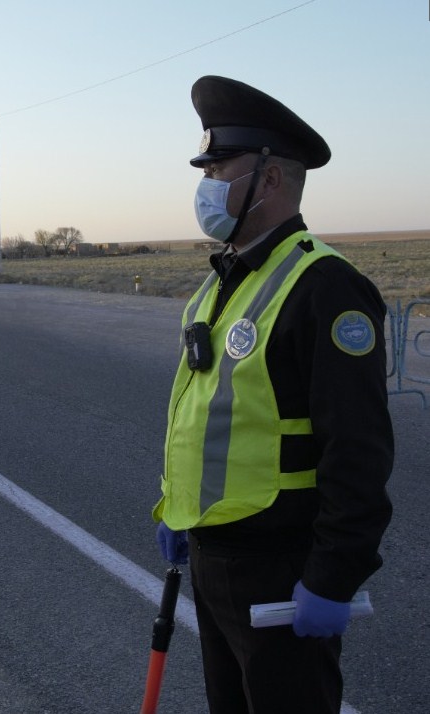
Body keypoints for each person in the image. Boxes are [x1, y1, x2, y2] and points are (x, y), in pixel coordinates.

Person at [152, 76, 393, 714]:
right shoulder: (221, 283)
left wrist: (333, 578)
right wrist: (178, 516)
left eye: (220, 167)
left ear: (271, 179)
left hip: (281, 571)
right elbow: (206, 412)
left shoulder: (326, 287)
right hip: (214, 556)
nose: (206, 184)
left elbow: (359, 449)